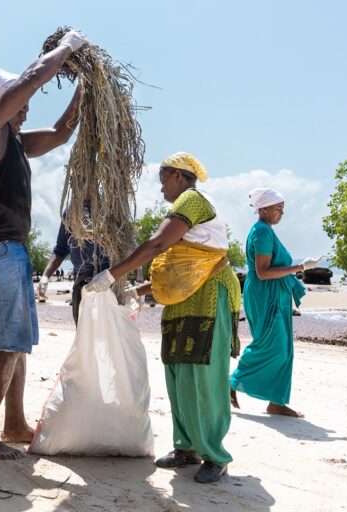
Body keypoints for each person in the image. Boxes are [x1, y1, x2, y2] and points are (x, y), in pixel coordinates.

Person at [0, 30, 89, 460]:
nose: (27, 105)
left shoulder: (13, 140)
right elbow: (31, 81)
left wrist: (86, 85)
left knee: (18, 340)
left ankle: (14, 423)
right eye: (17, 100)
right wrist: (66, 47)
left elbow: (60, 132)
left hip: (6, 250)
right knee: (8, 343)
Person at [85, 152, 241, 484]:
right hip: (185, 298)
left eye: (162, 181)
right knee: (179, 372)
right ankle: (186, 448)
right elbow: (178, 270)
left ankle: (215, 455)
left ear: (176, 175)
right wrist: (137, 291)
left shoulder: (192, 199)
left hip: (209, 296)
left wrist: (111, 276)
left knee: (206, 376)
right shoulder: (184, 205)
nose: (161, 190)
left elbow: (156, 246)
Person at [229, 188, 319, 418]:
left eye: (283, 209)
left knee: (285, 349)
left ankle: (276, 402)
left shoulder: (266, 230)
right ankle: (231, 382)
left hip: (275, 296)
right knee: (271, 346)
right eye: (278, 208)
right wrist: (300, 267)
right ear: (264, 209)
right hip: (264, 295)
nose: (282, 213)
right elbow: (262, 272)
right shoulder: (261, 232)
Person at [38, 197, 110, 324]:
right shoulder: (71, 212)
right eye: (79, 179)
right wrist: (45, 277)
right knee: (83, 337)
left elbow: (127, 244)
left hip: (108, 279)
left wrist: (138, 277)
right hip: (81, 282)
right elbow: (60, 249)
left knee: (110, 337)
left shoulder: (109, 207)